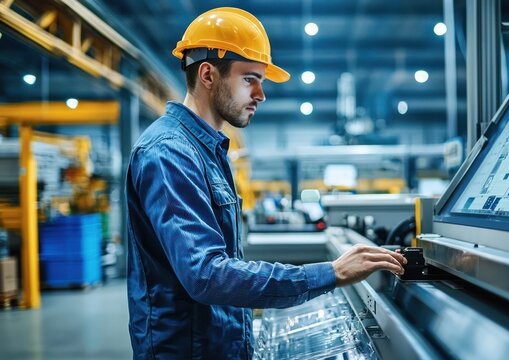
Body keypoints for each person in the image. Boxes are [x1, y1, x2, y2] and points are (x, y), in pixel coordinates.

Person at [125, 7, 407, 359]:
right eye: (249, 79)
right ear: (209, 75)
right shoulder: (169, 153)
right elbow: (207, 275)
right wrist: (330, 273)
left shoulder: (207, 150)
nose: (261, 94)